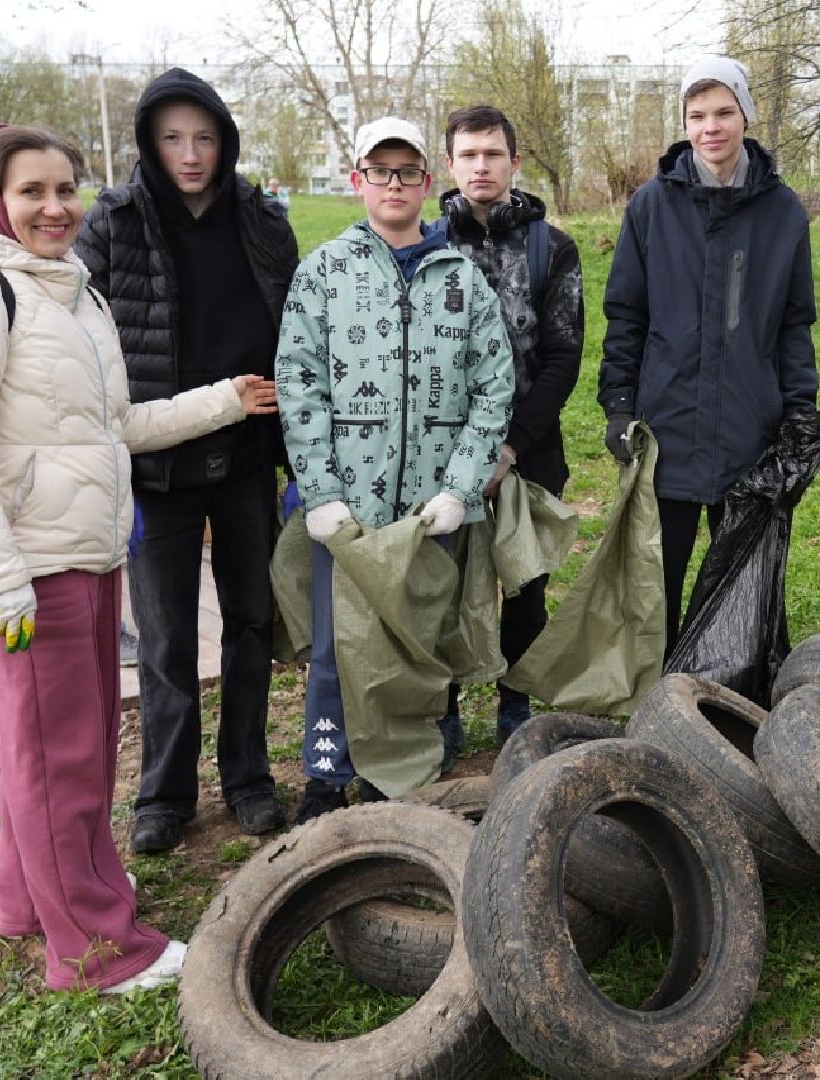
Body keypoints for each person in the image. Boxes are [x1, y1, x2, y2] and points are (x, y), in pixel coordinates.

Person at [0, 123, 278, 991]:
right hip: (29, 568)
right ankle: (95, 949)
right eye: (32, 190)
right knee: (60, 759)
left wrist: (224, 401)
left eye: (67, 188)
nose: (56, 206)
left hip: (81, 550)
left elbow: (114, 428)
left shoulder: (68, 291)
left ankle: (31, 902)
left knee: (53, 750)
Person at [77, 68, 299, 854]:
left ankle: (248, 778)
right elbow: (83, 343)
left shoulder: (264, 221)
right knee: (167, 638)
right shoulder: (111, 225)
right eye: (172, 138)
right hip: (156, 464)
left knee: (249, 621)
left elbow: (293, 332)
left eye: (204, 137)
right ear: (148, 141)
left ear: (225, 140)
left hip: (245, 455)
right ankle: (163, 794)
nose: (191, 153)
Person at [276, 116, 513, 823]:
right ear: (359, 180)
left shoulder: (462, 279)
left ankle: (411, 770)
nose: (394, 184)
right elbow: (299, 382)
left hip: (427, 513)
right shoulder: (323, 271)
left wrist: (459, 487)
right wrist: (318, 491)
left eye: (408, 171)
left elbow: (493, 387)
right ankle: (326, 773)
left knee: (422, 642)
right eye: (380, 171)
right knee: (334, 648)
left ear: (425, 182)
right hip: (348, 510)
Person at [598, 56, 818, 654]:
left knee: (745, 581)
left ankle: (741, 700)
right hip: (667, 425)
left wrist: (799, 412)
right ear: (684, 122)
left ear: (745, 114)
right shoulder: (651, 206)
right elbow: (627, 314)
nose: (710, 127)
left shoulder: (783, 212)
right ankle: (658, 699)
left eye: (724, 112)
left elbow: (794, 325)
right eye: (697, 115)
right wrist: (619, 404)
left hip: (752, 428)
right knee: (656, 583)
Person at [431, 104, 583, 757]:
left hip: (530, 444)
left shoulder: (552, 247)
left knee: (524, 583)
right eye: (468, 155)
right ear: (451, 163)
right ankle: (440, 706)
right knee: (439, 583)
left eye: (492, 153)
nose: (480, 166)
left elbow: (563, 356)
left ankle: (516, 701)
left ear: (514, 162)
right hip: (442, 448)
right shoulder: (429, 243)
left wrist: (512, 445)